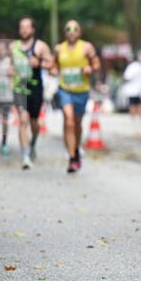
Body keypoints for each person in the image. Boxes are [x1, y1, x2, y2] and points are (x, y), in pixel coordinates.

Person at [52, 20, 101, 173]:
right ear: (64, 32)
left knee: (77, 123)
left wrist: (90, 68)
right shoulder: (59, 49)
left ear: (80, 32)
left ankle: (76, 150)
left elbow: (96, 63)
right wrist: (52, 70)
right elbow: (54, 65)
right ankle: (72, 157)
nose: (71, 31)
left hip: (82, 91)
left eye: (75, 29)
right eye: (68, 29)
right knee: (69, 120)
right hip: (65, 89)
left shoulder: (86, 47)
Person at [12, 17, 53, 169]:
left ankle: (33, 142)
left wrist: (40, 63)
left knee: (34, 123)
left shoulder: (40, 46)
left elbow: (52, 65)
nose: (24, 30)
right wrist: (9, 71)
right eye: (21, 27)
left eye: (27, 27)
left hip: (35, 88)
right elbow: (9, 65)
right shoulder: (14, 47)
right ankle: (25, 156)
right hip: (19, 88)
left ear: (32, 30)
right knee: (23, 120)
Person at [121, 54, 141, 121]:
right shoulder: (140, 66)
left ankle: (133, 119)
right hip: (140, 88)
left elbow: (127, 77)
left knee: (132, 104)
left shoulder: (131, 67)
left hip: (132, 89)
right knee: (139, 103)